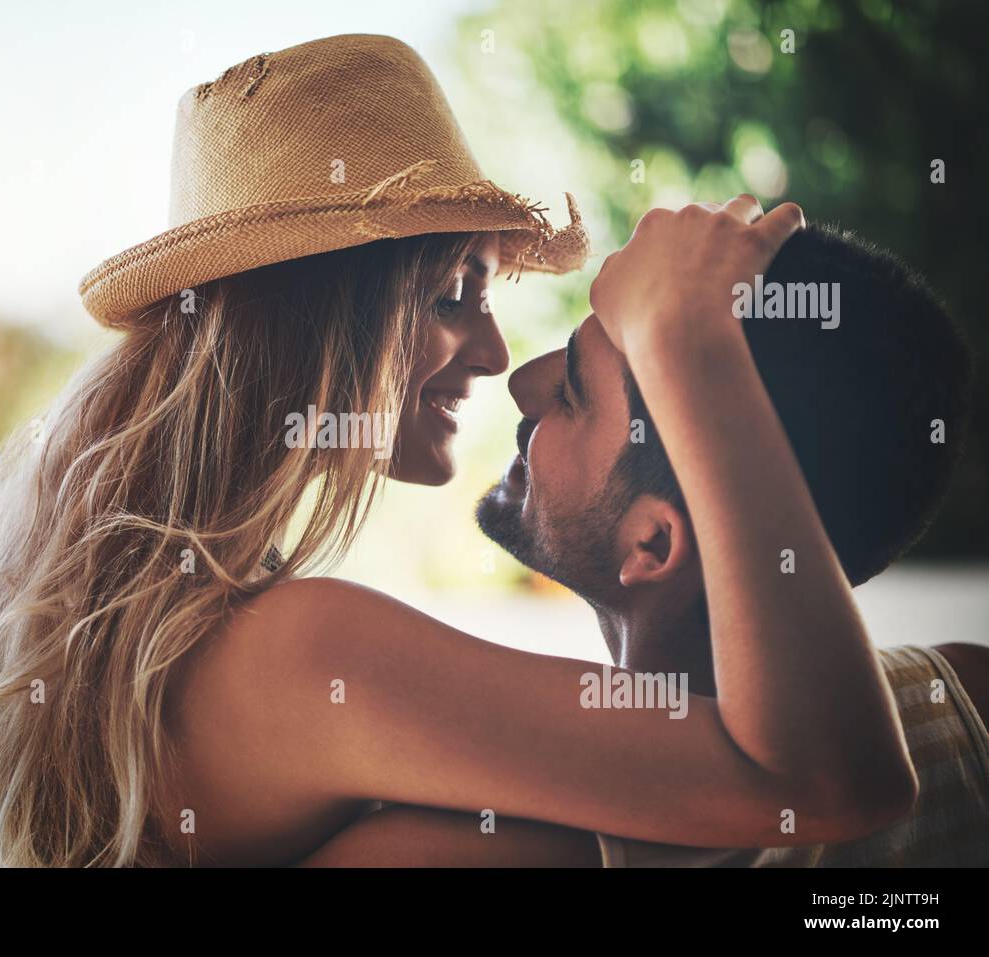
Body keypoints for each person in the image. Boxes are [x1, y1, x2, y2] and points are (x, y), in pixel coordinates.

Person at [0, 35, 914, 868]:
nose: (500, 353)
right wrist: (687, 336)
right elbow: (830, 787)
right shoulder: (305, 653)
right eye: (453, 291)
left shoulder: (7, 600)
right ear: (325, 317)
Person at [304, 221, 986, 866]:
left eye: (572, 393)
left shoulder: (459, 850)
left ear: (653, 543)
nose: (520, 383)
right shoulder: (962, 707)